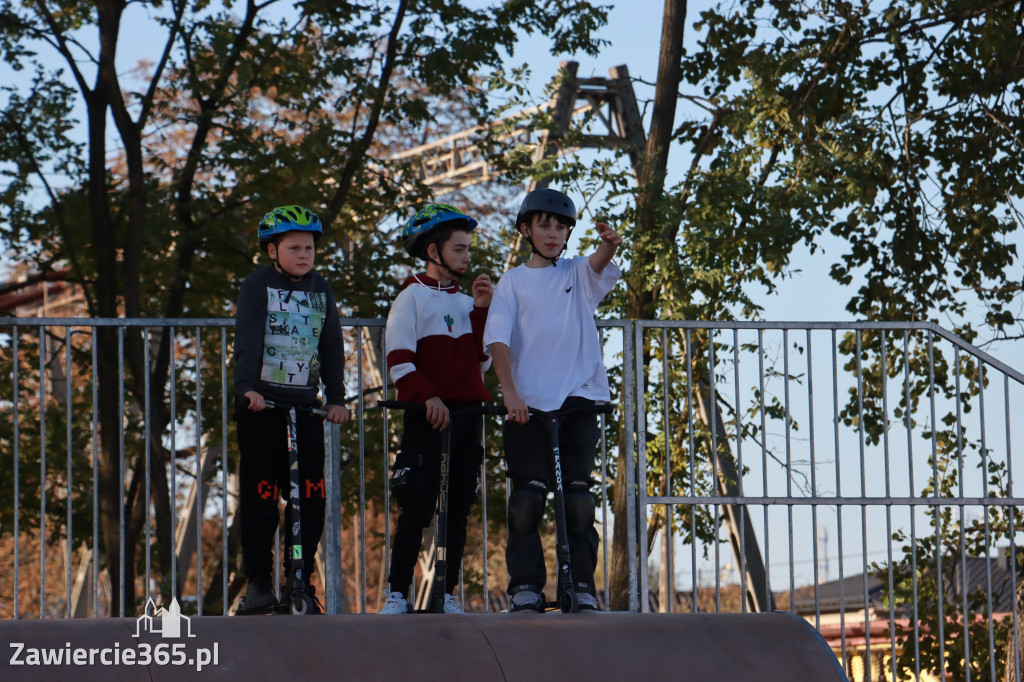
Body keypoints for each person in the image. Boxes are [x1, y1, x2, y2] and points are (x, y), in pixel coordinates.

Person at [483, 188, 622, 612]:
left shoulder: (578, 274)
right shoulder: (513, 282)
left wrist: (608, 244)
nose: (553, 233)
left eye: (561, 227)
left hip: (579, 400)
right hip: (527, 407)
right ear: (526, 229)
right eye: (544, 225)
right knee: (526, 501)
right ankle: (525, 586)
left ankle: (581, 584)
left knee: (578, 501)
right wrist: (510, 391)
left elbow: (599, 262)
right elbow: (498, 341)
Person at [233, 204, 350, 615]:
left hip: (305, 408)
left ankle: (298, 578)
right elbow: (248, 338)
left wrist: (336, 397)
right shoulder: (257, 285)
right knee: (262, 497)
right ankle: (259, 583)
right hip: (262, 405)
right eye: (295, 247)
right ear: (272, 250)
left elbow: (331, 343)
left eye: (310, 248)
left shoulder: (320, 289)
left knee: (310, 496)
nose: (304, 255)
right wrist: (246, 388)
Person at [379, 203, 494, 615]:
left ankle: (447, 593)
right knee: (418, 506)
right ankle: (397, 593)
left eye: (467, 250)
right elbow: (399, 361)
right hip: (426, 415)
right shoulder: (410, 298)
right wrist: (429, 397)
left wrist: (481, 310)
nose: (467, 257)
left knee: (458, 508)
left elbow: (482, 364)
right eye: (459, 250)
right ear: (433, 251)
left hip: (467, 417)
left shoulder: (467, 304)